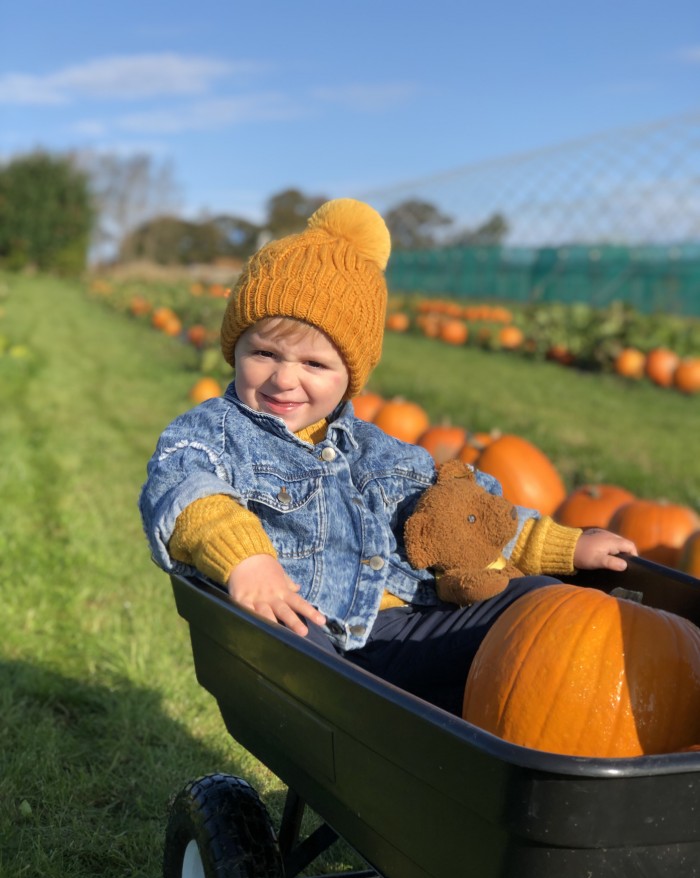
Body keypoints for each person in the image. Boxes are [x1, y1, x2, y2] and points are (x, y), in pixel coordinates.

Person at [139, 198, 637, 716]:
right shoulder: (215, 431)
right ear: (234, 348)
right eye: (263, 353)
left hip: (408, 630)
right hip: (316, 637)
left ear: (351, 375)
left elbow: (461, 514)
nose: (285, 378)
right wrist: (248, 560)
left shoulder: (381, 453)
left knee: (538, 604)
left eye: (314, 363)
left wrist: (561, 544)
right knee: (288, 637)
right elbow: (187, 488)